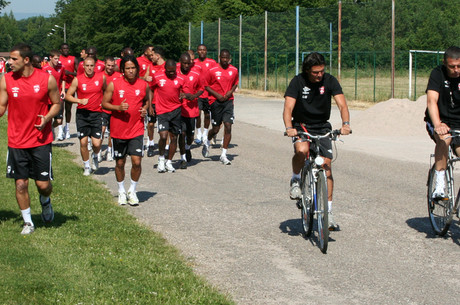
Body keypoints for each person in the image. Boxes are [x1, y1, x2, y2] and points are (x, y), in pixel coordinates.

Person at [283, 52, 351, 230]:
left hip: (322, 126)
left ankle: (328, 213)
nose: (319, 75)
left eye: (321, 71)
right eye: (315, 72)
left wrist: (345, 124)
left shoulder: (330, 81)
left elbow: (342, 104)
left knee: (327, 166)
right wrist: (289, 127)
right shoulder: (297, 82)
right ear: (307, 70)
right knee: (302, 151)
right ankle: (296, 178)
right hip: (301, 126)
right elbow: (288, 108)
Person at [0, 43, 61, 234]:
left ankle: (45, 201)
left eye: (14, 59)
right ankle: (28, 222)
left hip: (40, 140)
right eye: (9, 59)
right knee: (20, 183)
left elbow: (57, 103)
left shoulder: (46, 79)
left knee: (43, 185)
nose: (9, 62)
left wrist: (48, 118)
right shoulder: (6, 80)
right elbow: (2, 107)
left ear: (26, 60)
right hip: (16, 141)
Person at [102, 55, 151, 205]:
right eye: (128, 68)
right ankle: (121, 191)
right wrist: (117, 107)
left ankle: (132, 190)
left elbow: (148, 100)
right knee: (120, 163)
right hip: (119, 129)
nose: (131, 71)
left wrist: (145, 109)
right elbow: (104, 103)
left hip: (136, 129)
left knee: (137, 162)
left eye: (133, 68)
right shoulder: (114, 84)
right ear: (122, 70)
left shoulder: (143, 85)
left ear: (137, 69)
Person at [425, 46, 460, 199]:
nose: (456, 70)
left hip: (458, 121)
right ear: (445, 63)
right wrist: (438, 124)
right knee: (444, 140)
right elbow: (432, 101)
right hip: (440, 119)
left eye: (459, 66)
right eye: (452, 66)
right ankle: (439, 184)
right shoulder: (437, 74)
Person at [65, 56, 106, 175]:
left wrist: (104, 102)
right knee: (83, 142)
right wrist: (79, 101)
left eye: (91, 66)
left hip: (96, 114)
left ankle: (95, 155)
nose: (89, 68)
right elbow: (68, 96)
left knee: (97, 144)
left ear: (95, 66)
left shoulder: (101, 77)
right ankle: (86, 166)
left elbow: (106, 91)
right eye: (87, 66)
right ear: (83, 66)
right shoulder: (78, 79)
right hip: (82, 114)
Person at [202, 49, 238, 165]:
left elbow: (235, 83)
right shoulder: (212, 70)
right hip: (215, 102)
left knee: (228, 126)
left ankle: (223, 154)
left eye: (227, 58)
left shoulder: (234, 70)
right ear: (219, 57)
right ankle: (207, 141)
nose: (225, 60)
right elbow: (206, 86)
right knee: (216, 128)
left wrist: (229, 93)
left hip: (228, 101)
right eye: (223, 57)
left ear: (230, 58)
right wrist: (217, 95)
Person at [150, 59, 185, 173]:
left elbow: (183, 91)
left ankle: (169, 162)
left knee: (174, 137)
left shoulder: (180, 78)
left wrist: (183, 95)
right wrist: (150, 105)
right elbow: (150, 89)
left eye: (173, 71)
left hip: (176, 110)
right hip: (162, 111)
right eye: (169, 71)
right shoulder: (158, 76)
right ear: (165, 69)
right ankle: (161, 159)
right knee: (163, 136)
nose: (171, 73)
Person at [177, 52, 204, 168]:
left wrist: (194, 96)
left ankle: (188, 148)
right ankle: (183, 158)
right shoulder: (175, 73)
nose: (187, 65)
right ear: (180, 62)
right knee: (182, 134)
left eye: (189, 63)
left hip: (192, 109)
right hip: (179, 109)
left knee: (190, 136)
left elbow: (202, 88)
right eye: (184, 63)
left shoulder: (196, 74)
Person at [145, 46, 166, 157]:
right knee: (151, 124)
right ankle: (151, 144)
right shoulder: (150, 66)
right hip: (152, 100)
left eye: (152, 55)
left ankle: (166, 147)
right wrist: (146, 78)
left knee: (165, 126)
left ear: (158, 56)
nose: (150, 57)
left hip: (164, 102)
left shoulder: (167, 67)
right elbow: (144, 78)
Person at [101, 56, 123, 162]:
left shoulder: (119, 76)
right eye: (108, 65)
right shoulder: (100, 76)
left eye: (112, 65)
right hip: (103, 108)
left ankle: (109, 151)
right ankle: (98, 152)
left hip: (114, 108)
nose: (110, 67)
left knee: (112, 132)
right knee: (102, 129)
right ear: (104, 64)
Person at [194, 44, 217, 145]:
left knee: (207, 115)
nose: (202, 51)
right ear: (197, 51)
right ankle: (198, 133)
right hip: (198, 93)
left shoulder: (212, 62)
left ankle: (205, 133)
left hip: (209, 93)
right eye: (200, 50)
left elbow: (217, 74)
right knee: (197, 114)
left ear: (206, 51)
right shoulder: (194, 62)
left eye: (204, 50)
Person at [42, 50, 66, 134]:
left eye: (58, 58)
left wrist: (63, 90)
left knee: (59, 120)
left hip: (58, 96)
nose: (57, 61)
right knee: (48, 117)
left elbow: (63, 79)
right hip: (48, 97)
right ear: (50, 58)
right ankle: (48, 133)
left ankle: (52, 128)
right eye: (55, 59)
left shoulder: (61, 67)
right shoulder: (44, 68)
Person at [59, 43, 78, 140]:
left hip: (70, 87)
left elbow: (78, 73)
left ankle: (67, 129)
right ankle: (60, 130)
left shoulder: (73, 59)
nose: (66, 50)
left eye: (67, 48)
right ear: (61, 50)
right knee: (60, 109)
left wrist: (69, 73)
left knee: (68, 109)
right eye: (64, 48)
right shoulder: (58, 59)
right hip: (61, 87)